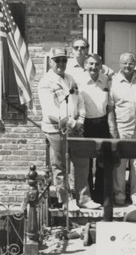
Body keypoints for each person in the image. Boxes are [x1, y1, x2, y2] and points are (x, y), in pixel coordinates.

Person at [38, 47, 100, 210]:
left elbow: (79, 101)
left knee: (82, 162)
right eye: (57, 60)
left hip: (75, 128)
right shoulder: (46, 82)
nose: (61, 63)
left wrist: (80, 119)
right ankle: (66, 201)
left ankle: (84, 198)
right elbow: (50, 110)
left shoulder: (70, 78)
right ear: (51, 61)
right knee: (60, 166)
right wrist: (72, 123)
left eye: (64, 60)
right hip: (56, 129)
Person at [109, 52, 136, 206]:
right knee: (120, 163)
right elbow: (110, 107)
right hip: (122, 127)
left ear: (135, 63)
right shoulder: (113, 81)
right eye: (124, 63)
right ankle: (119, 194)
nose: (128, 66)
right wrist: (113, 129)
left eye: (131, 63)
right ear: (120, 64)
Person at [77, 53, 113, 204]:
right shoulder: (79, 82)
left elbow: (110, 104)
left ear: (101, 66)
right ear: (86, 65)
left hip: (102, 124)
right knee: (86, 162)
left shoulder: (106, 80)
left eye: (97, 64)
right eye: (90, 64)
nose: (93, 67)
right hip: (86, 124)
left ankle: (100, 194)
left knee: (102, 161)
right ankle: (87, 194)